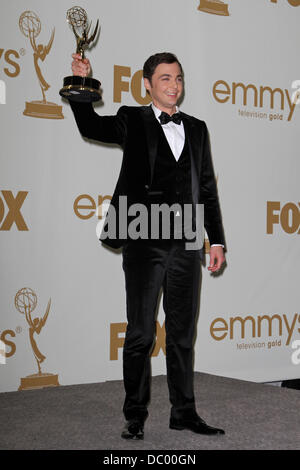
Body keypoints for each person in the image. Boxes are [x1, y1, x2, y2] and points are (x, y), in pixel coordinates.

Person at [68, 52, 226, 440]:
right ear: (148, 84)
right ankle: (135, 414)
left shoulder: (198, 128)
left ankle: (183, 412)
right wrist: (81, 85)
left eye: (179, 79)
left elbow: (206, 187)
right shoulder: (132, 119)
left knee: (183, 332)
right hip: (143, 235)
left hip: (188, 238)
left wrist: (216, 238)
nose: (174, 86)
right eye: (166, 78)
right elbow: (90, 126)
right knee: (140, 331)